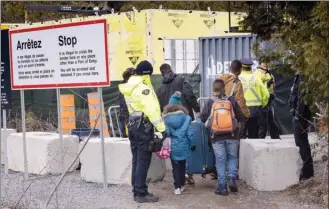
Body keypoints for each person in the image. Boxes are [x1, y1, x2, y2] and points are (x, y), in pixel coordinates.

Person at [118, 60, 166, 203]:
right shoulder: (143, 88)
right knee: (143, 161)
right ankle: (141, 192)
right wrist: (162, 129)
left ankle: (136, 189)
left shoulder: (130, 86)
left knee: (136, 159)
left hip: (133, 125)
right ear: (147, 73)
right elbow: (152, 110)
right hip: (143, 127)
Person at [156, 63, 200, 184]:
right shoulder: (181, 80)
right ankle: (187, 171)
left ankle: (178, 174)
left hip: (168, 121)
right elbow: (190, 95)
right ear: (171, 70)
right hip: (184, 118)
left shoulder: (160, 88)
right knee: (187, 142)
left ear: (161, 74)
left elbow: (159, 107)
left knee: (174, 146)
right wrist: (197, 109)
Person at [200, 79, 245, 196]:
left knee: (220, 161)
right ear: (224, 88)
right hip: (232, 135)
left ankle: (222, 187)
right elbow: (241, 116)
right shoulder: (231, 100)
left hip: (216, 137)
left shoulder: (210, 102)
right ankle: (232, 179)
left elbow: (203, 118)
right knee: (232, 157)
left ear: (213, 89)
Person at [162, 91, 196, 195]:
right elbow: (190, 133)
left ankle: (177, 187)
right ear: (180, 106)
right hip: (184, 146)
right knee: (182, 167)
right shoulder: (187, 118)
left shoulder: (166, 119)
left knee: (175, 168)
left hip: (173, 147)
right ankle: (181, 185)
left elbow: (167, 133)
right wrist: (193, 143)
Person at [288, 73, 314, 181]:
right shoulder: (298, 76)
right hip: (297, 113)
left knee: (301, 142)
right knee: (299, 141)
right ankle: (306, 169)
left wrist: (298, 114)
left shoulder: (305, 76)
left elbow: (303, 97)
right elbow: (294, 94)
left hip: (301, 115)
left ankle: (307, 171)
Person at [239, 58, 269, 138]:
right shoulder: (256, 78)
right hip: (256, 109)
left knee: (242, 134)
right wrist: (263, 104)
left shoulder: (238, 79)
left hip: (242, 109)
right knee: (254, 135)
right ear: (251, 67)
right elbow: (266, 94)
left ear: (241, 68)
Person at [255, 60, 281, 139]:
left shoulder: (269, 74)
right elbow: (258, 88)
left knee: (271, 120)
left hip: (269, 100)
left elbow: (273, 87)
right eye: (264, 62)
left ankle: (275, 137)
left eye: (267, 62)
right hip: (262, 100)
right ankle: (261, 139)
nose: (266, 64)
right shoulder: (257, 74)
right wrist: (267, 84)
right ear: (260, 64)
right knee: (263, 122)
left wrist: (272, 94)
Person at [118, 68, 134, 138]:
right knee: (128, 121)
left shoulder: (122, 85)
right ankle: (126, 135)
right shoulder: (129, 85)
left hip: (123, 107)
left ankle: (124, 135)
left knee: (124, 120)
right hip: (127, 107)